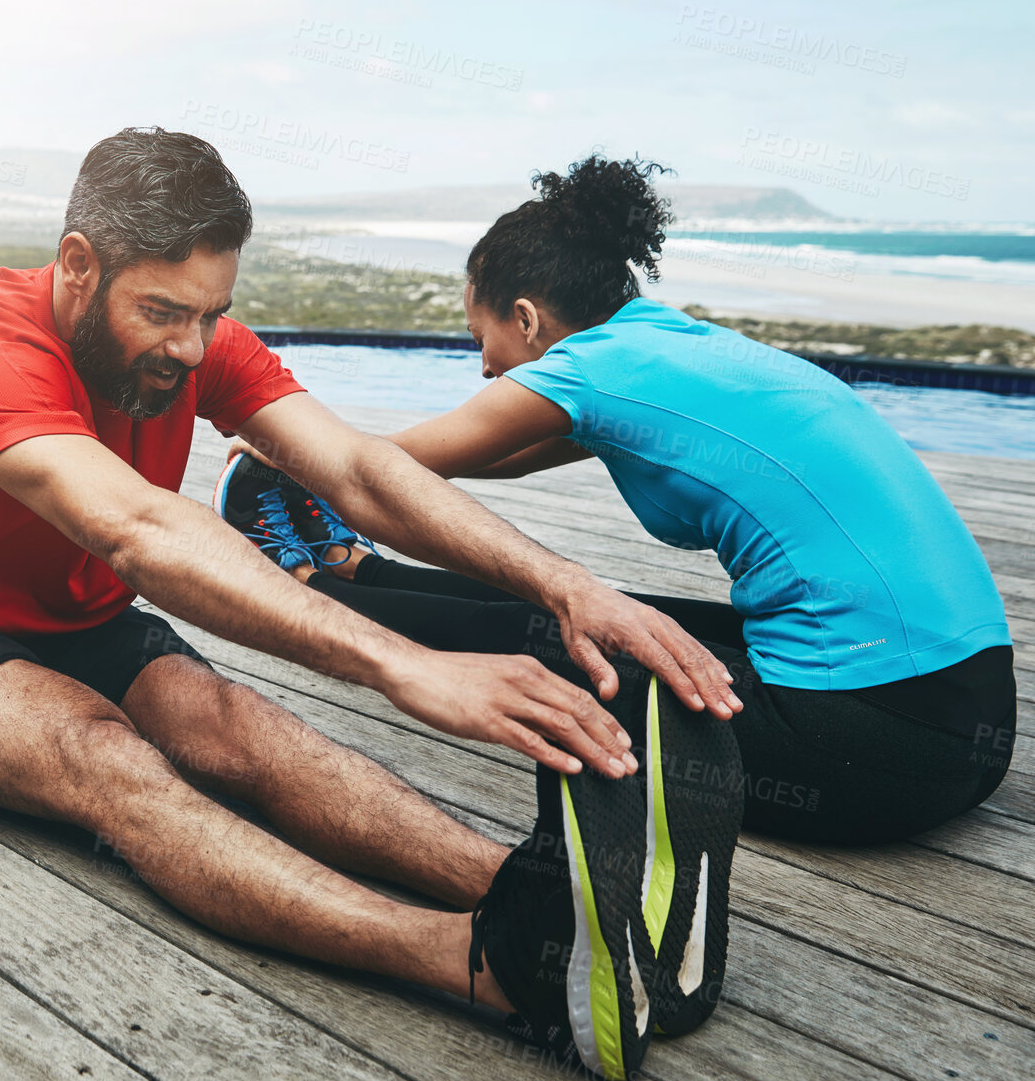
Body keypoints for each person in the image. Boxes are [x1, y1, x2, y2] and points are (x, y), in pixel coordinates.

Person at [0, 129, 746, 1081]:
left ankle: (558, 901)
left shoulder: (193, 338)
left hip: (74, 616)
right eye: (165, 311)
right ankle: (488, 964)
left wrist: (568, 584)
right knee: (104, 754)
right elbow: (136, 527)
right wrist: (401, 661)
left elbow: (362, 474)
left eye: (213, 312)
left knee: (238, 727)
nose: (193, 345)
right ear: (79, 265)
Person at [218, 154, 1015, 847]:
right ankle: (360, 572)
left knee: (536, 635)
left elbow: (378, 471)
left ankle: (307, 586)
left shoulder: (591, 369)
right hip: (966, 706)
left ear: (526, 318)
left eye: (482, 339)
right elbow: (503, 456)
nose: (485, 367)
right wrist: (331, 471)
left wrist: (288, 450)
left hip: (878, 743)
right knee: (602, 610)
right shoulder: (662, 344)